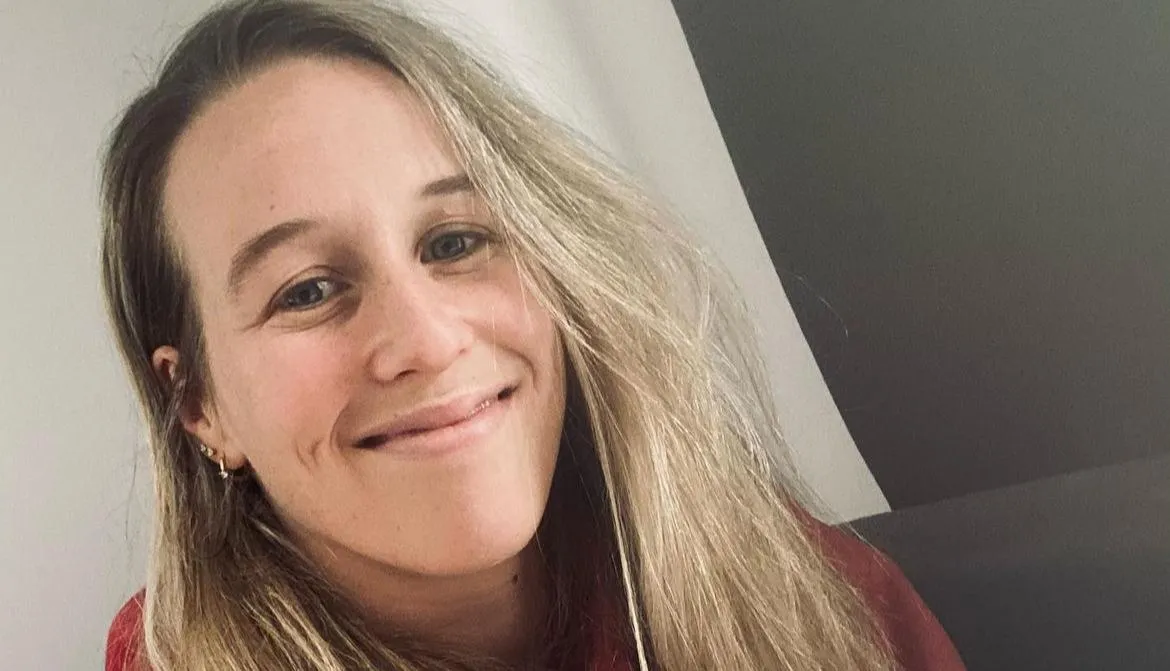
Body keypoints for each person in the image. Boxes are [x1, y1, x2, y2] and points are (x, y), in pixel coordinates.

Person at [100, 1, 966, 669]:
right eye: (308, 290)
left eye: (454, 242)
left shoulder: (790, 582)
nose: (428, 340)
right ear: (200, 403)